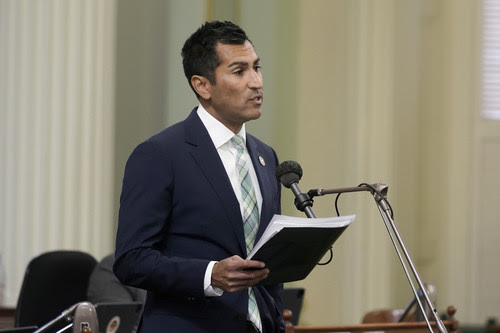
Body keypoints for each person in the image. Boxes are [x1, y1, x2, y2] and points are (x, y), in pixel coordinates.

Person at [113, 20, 284, 333]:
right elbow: (131, 260)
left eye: (256, 68)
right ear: (202, 85)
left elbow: (267, 260)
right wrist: (210, 274)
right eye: (239, 71)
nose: (256, 82)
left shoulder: (265, 156)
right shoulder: (160, 154)